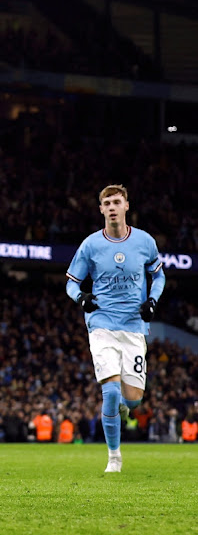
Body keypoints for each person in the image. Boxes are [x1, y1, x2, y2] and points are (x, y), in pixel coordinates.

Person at [66, 184, 165, 472]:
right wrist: (81, 298)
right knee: (109, 392)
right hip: (102, 325)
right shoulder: (91, 245)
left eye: (116, 201)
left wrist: (152, 301)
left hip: (134, 327)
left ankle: (122, 408)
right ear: (101, 209)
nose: (111, 206)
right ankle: (114, 457)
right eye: (106, 202)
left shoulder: (145, 242)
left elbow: (159, 277)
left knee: (133, 402)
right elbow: (72, 282)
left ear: (126, 206)